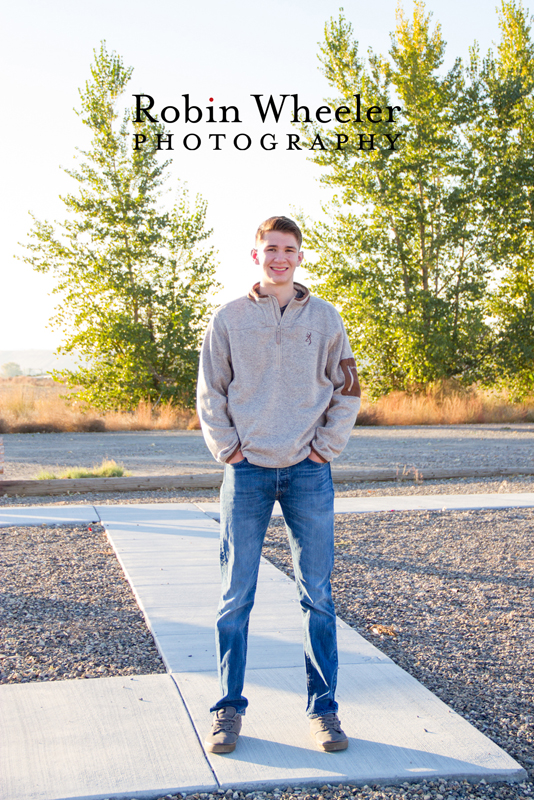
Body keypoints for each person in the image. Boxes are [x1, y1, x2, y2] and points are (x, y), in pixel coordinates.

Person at [196, 215, 361, 755]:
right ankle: (227, 710)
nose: (280, 258)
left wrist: (323, 449)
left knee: (318, 596)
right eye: (271, 249)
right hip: (246, 473)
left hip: (308, 472)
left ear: (300, 256)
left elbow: (348, 389)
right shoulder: (228, 319)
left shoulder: (326, 317)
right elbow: (210, 392)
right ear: (256, 256)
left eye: (288, 249)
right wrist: (230, 450)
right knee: (235, 597)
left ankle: (325, 711)